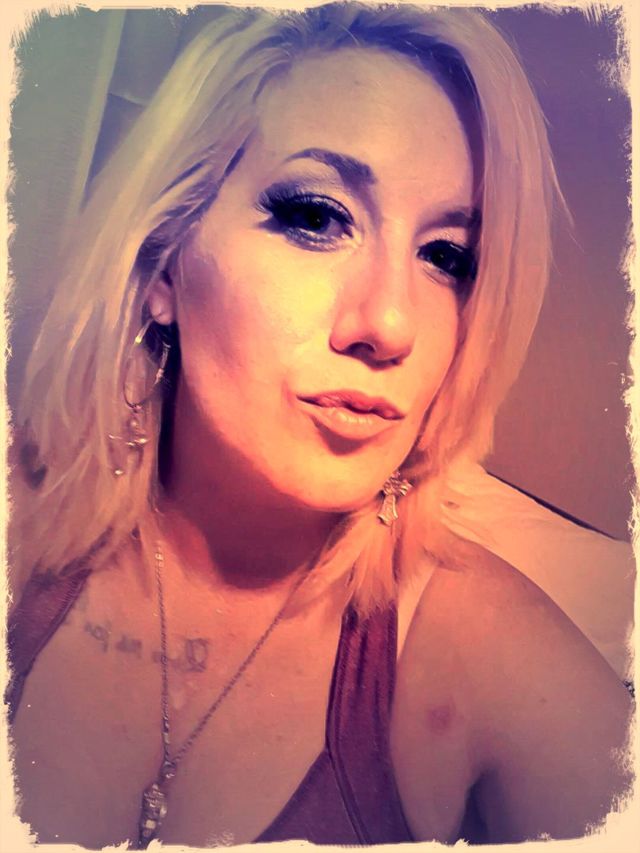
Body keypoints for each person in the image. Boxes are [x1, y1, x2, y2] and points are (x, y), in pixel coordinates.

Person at [6, 3, 632, 848]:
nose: (392, 325)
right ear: (163, 266)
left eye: (447, 256)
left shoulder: (494, 660)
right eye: (316, 215)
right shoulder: (20, 532)